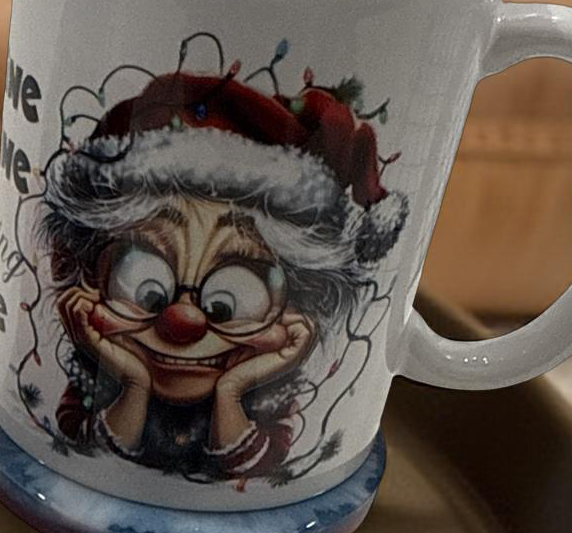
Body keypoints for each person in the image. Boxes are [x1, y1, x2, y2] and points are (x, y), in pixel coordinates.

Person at [38, 47, 408, 484]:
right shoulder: (94, 371)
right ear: (90, 274)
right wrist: (134, 385)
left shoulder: (268, 395)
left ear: (297, 303)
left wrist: (231, 390)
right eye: (145, 286)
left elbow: (260, 471)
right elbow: (83, 448)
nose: (183, 321)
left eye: (228, 301)